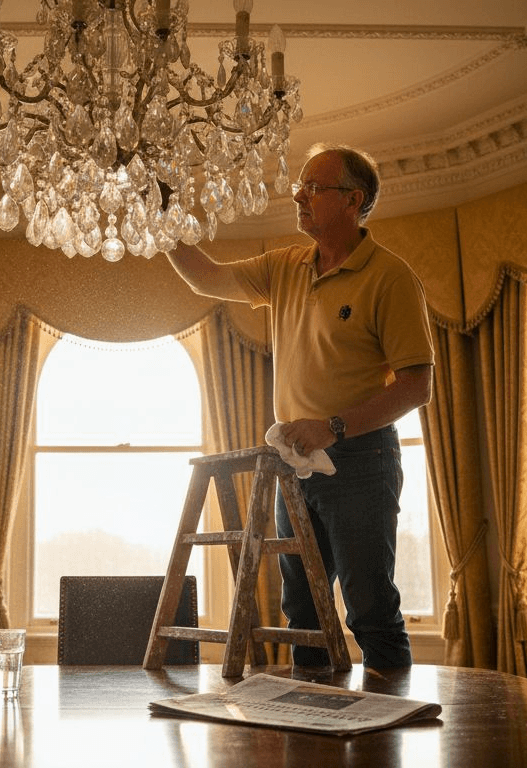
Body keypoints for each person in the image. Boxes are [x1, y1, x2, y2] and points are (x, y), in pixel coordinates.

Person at [165, 143, 434, 668]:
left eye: (314, 187)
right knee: (303, 615)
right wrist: (161, 213)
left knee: (369, 610)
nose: (298, 195)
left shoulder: (390, 277)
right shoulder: (286, 266)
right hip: (296, 466)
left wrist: (332, 427)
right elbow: (206, 277)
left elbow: (415, 387)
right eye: (301, 186)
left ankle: (387, 739)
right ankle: (310, 733)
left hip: (361, 461)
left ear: (353, 200)